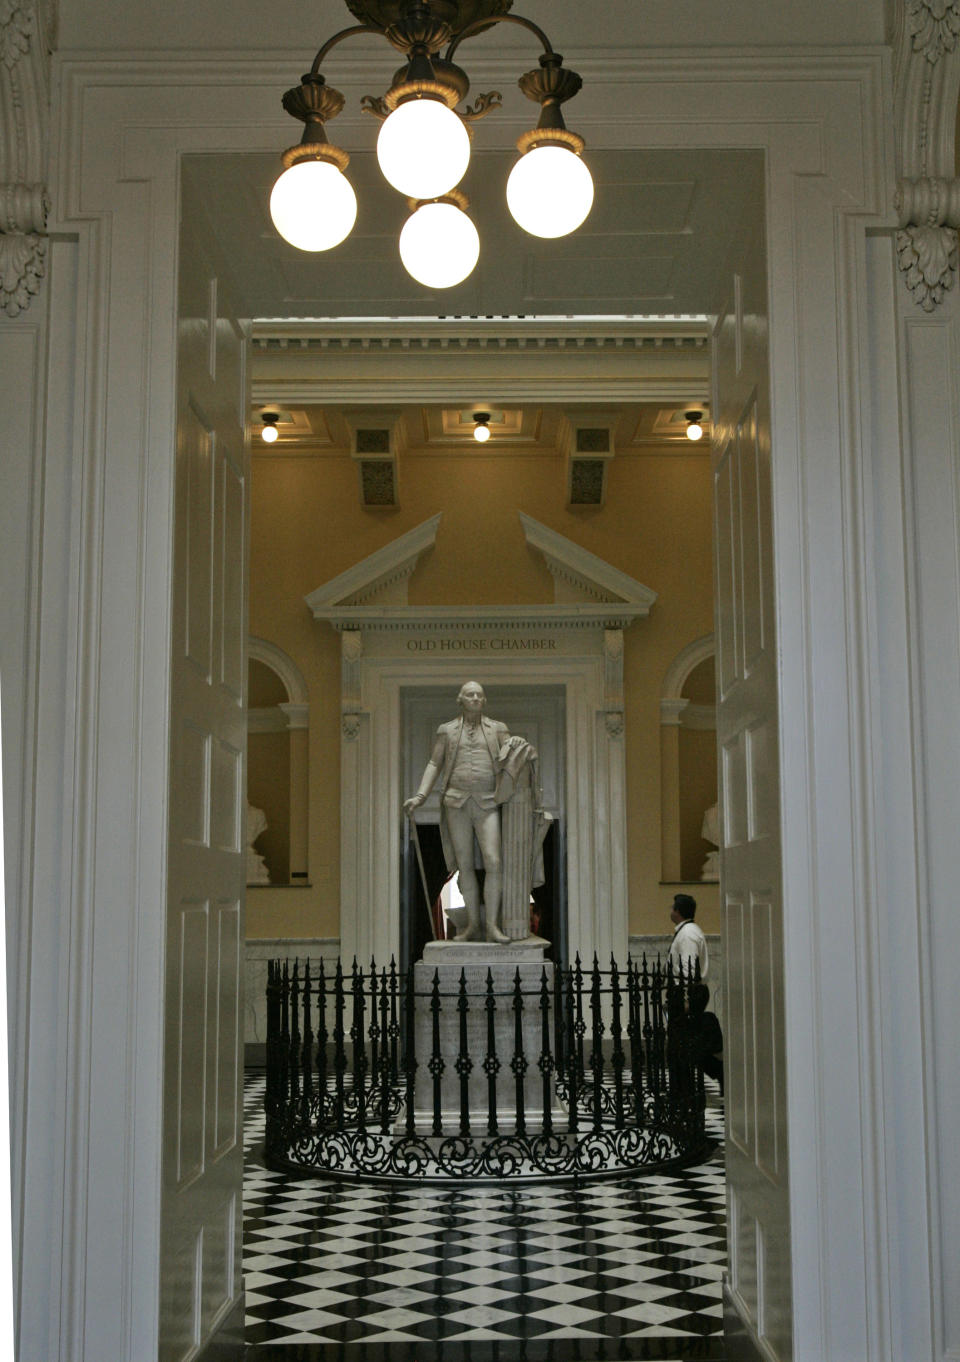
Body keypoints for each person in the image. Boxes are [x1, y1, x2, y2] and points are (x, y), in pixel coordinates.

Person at [404, 681, 525, 944]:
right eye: (470, 695)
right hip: (455, 801)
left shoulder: (498, 729)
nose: (475, 699)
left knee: (494, 862)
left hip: (487, 801)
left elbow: (512, 760)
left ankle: (492, 926)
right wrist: (420, 796)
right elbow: (435, 762)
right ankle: (472, 925)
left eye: (479, 695)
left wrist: (515, 745)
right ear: (460, 699)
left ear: (484, 700)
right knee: (464, 865)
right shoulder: (446, 731)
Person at [668, 892, 709, 989]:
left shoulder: (687, 934)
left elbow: (689, 968)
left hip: (688, 992)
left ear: (677, 911)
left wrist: (685, 997)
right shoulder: (688, 930)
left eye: (672, 908)